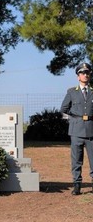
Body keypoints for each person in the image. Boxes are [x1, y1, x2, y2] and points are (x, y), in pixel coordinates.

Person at [61, 62, 93, 195]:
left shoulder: (92, 92)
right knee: (76, 159)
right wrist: (74, 119)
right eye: (82, 73)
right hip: (76, 131)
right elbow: (64, 109)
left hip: (91, 130)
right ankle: (77, 184)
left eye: (87, 73)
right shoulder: (71, 92)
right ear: (78, 76)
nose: (85, 75)